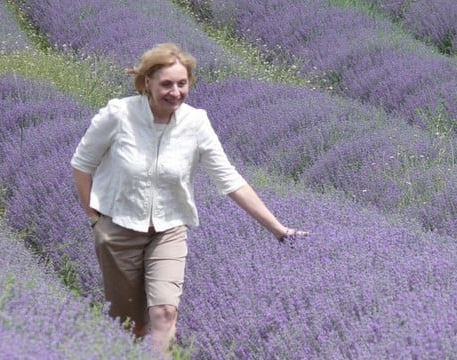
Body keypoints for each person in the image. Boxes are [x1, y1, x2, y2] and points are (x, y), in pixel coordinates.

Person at [70, 43, 308, 356]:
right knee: (130, 326)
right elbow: (81, 164)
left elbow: (230, 179)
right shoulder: (119, 114)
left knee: (164, 313)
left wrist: (278, 229)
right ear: (147, 83)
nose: (175, 92)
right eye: (166, 84)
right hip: (119, 230)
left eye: (182, 84)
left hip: (169, 229)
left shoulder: (196, 123)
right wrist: (96, 220)